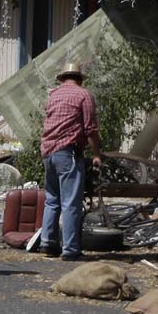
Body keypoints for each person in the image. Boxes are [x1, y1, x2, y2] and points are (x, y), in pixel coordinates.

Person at [36, 61, 100, 260]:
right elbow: (90, 129)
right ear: (80, 78)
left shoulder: (53, 95)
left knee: (52, 200)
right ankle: (71, 249)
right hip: (68, 152)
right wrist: (97, 153)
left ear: (62, 78)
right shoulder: (83, 95)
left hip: (48, 152)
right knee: (71, 202)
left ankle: (48, 242)